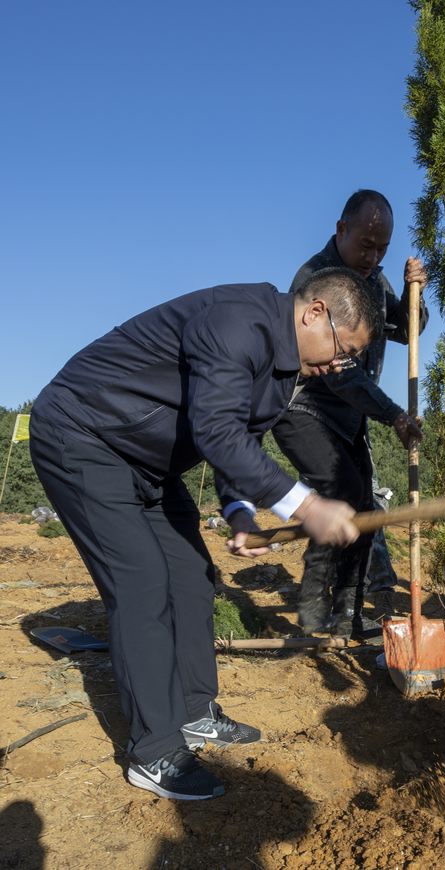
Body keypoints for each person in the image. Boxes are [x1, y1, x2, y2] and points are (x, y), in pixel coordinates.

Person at [28, 268, 381, 800]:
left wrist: (240, 514)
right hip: (82, 436)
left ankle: (195, 713)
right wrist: (306, 504)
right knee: (142, 584)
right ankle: (153, 752)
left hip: (149, 463)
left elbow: (237, 446)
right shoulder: (237, 324)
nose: (339, 365)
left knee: (192, 576)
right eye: (342, 348)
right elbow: (216, 432)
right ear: (315, 314)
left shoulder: (284, 374)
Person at [271, 190, 428, 637]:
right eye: (366, 244)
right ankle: (311, 606)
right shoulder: (315, 279)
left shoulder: (376, 280)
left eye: (383, 248)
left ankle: (347, 611)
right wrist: (394, 415)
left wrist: (415, 294)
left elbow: (405, 329)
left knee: (364, 507)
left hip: (350, 416)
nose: (373, 255)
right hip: (304, 406)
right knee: (339, 490)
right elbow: (339, 372)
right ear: (342, 230)